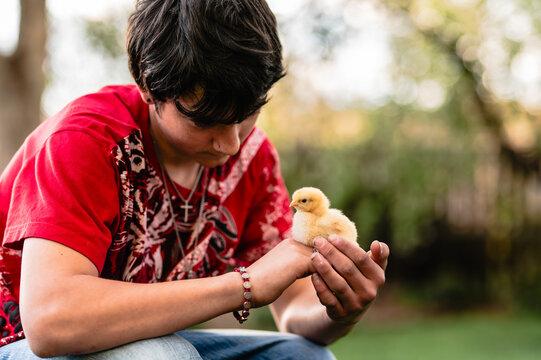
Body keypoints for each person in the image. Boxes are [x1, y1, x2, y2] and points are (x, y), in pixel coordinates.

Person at [0, 0, 389, 358]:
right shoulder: (85, 141)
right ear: (148, 87)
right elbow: (52, 320)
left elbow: (294, 310)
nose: (232, 144)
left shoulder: (253, 158)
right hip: (15, 343)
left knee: (304, 356)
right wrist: (245, 285)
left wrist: (341, 310)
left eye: (248, 113)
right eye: (206, 121)